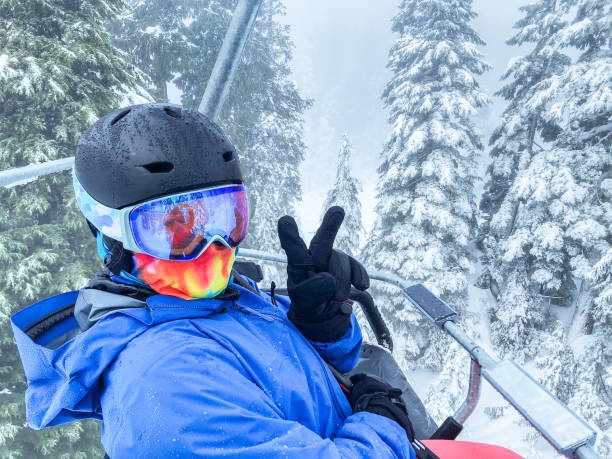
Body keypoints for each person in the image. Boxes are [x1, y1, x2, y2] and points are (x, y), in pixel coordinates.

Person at [11, 103, 416, 458]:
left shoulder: (227, 301)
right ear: (110, 237)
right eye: (171, 228)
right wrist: (384, 425)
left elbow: (305, 377)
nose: (212, 245)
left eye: (225, 216)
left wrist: (322, 327)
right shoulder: (166, 388)